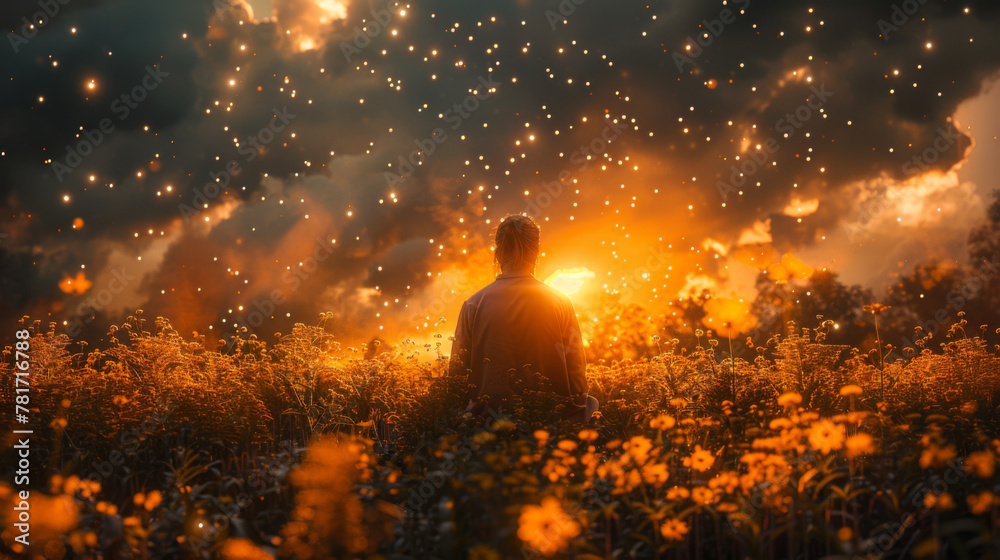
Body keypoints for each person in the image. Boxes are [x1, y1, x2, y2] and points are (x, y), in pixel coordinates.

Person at [449, 214, 599, 423]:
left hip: (486, 426)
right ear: (536, 252)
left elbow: (456, 377)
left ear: (498, 251)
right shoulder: (560, 302)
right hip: (549, 423)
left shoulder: (474, 304)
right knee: (592, 404)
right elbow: (577, 378)